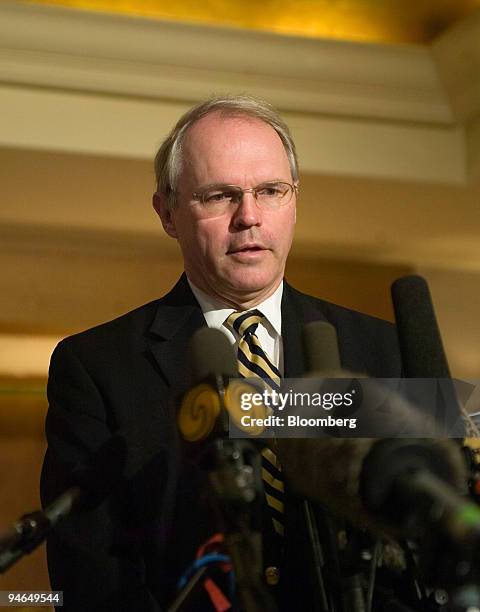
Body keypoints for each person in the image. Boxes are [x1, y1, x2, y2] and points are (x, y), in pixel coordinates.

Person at [41, 95, 402, 611]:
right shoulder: (97, 366)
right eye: (219, 196)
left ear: (295, 201)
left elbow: (419, 550)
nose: (249, 217)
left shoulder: (382, 349)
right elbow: (89, 575)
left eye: (271, 190)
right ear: (167, 212)